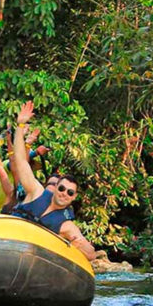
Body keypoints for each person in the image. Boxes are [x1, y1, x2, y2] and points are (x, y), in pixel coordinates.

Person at [10, 100, 96, 260]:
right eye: (62, 189)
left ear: (73, 197)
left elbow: (91, 254)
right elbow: (21, 160)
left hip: (31, 255)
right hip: (11, 238)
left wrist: (76, 245)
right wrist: (20, 127)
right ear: (56, 187)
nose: (64, 194)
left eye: (70, 193)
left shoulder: (67, 226)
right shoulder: (36, 191)